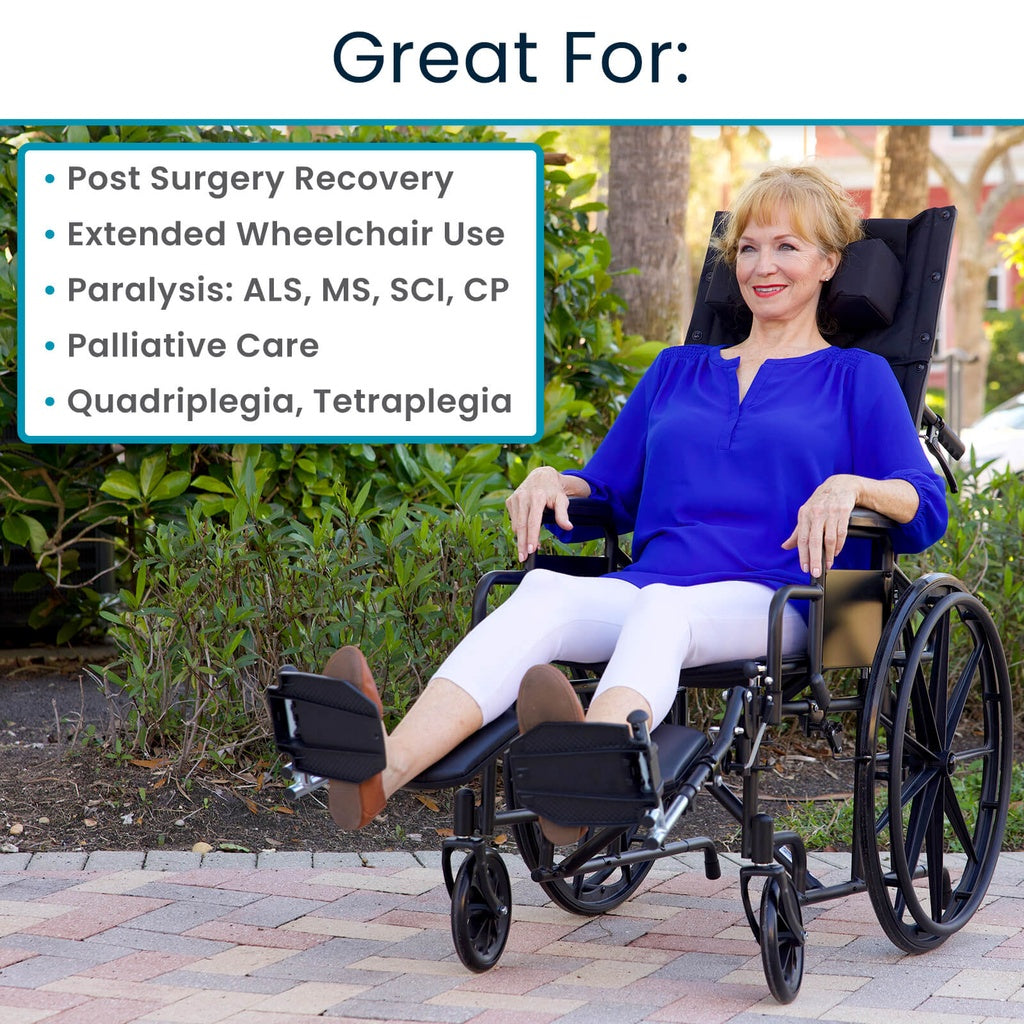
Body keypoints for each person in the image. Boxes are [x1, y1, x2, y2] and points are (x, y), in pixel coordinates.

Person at [325, 164, 949, 838]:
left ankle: (587, 779)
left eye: (786, 247)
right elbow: (609, 489)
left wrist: (853, 485)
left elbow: (925, 504)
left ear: (829, 263)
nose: (762, 265)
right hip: (657, 582)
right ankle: (383, 770)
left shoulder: (857, 377)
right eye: (747, 248)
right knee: (544, 591)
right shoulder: (676, 371)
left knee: (663, 609)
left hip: (798, 601)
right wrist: (553, 481)